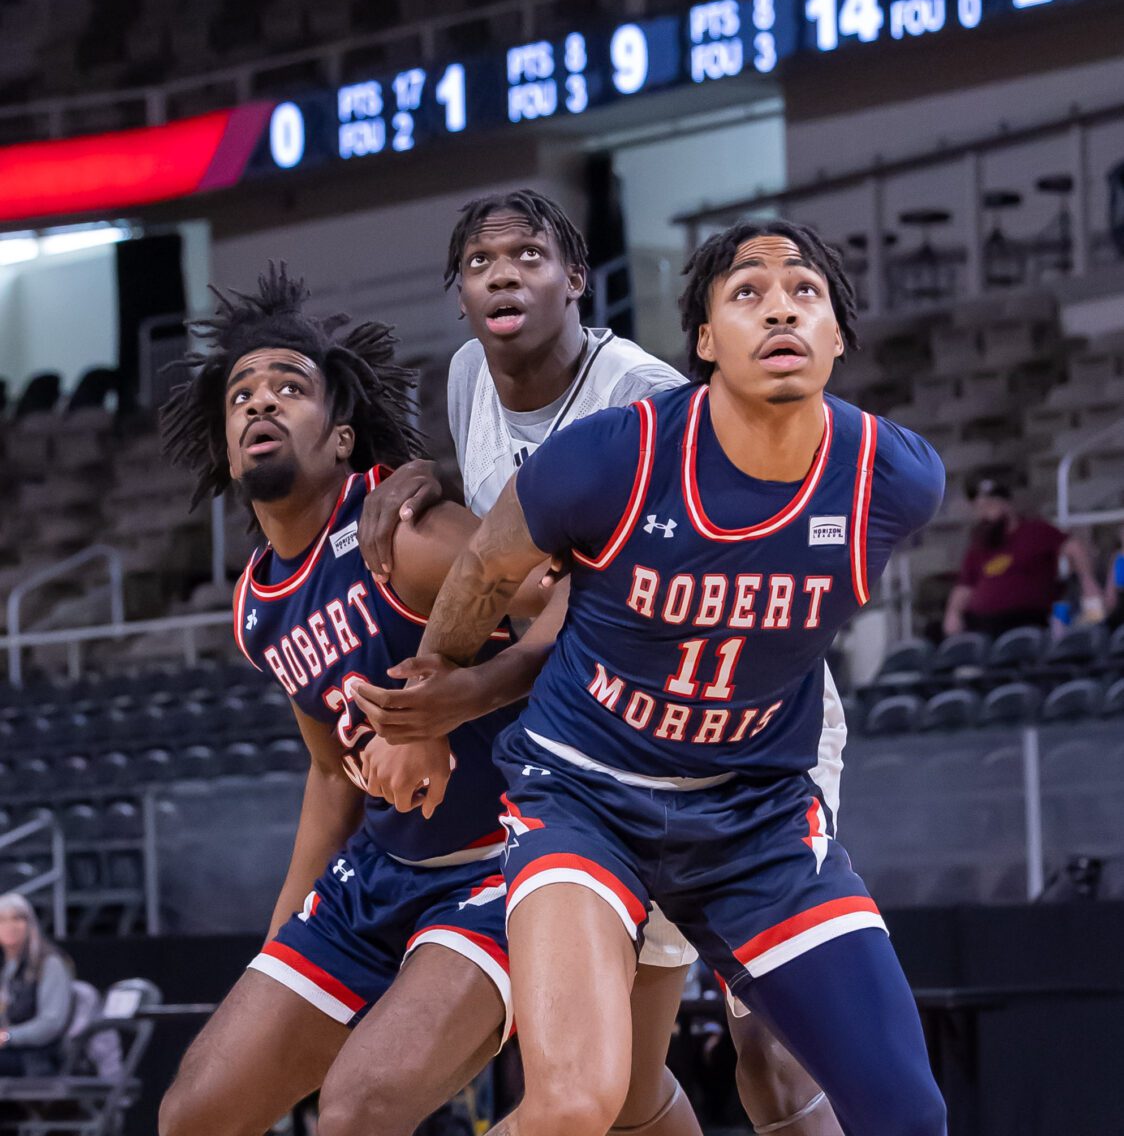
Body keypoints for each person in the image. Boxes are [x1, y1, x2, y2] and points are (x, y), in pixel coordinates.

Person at [398, 219, 948, 1136]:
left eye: (804, 291)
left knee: (905, 1111)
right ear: (702, 342)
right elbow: (487, 571)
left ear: (839, 336)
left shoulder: (891, 477)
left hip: (754, 810)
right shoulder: (617, 454)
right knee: (579, 1100)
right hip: (588, 795)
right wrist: (431, 693)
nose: (779, 306)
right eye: (747, 293)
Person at [157, 265, 562, 1136]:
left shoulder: (398, 533)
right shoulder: (257, 605)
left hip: (504, 860)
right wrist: (281, 946)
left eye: (289, 389)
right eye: (242, 397)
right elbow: (329, 773)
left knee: (358, 1108)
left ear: (341, 439)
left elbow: (572, 595)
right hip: (378, 874)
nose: (260, 405)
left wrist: (458, 698)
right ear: (228, 449)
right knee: (195, 1112)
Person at [943, 477, 1102, 638]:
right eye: (979, 508)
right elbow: (964, 586)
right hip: (983, 623)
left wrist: (1087, 582)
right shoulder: (979, 546)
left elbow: (1074, 548)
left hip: (1027, 618)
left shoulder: (1035, 531)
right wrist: (953, 613)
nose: (984, 514)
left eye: (989, 506)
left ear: (1006, 505)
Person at [0, 893, 74, 1077]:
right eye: (2, 920)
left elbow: (51, 1023)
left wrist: (8, 1036)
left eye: (17, 918)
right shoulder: (7, 966)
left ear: (30, 923)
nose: (10, 926)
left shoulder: (50, 963)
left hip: (37, 1057)